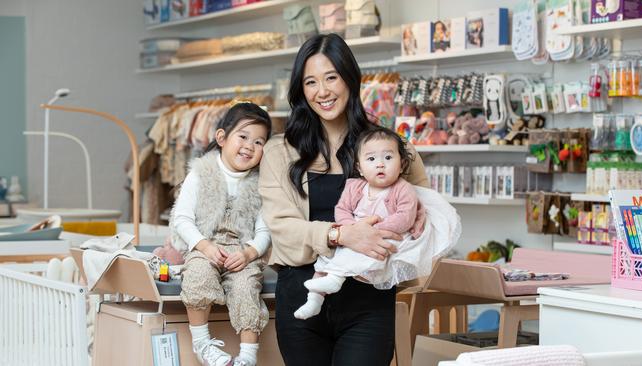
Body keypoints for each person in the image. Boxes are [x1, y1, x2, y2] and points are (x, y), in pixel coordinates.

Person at [258, 33, 429, 366]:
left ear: (350, 78)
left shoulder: (390, 149)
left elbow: (427, 211)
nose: (322, 91)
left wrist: (422, 214)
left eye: (331, 77)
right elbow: (281, 228)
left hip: (369, 304)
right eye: (310, 82)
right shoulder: (280, 152)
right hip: (300, 300)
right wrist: (341, 234)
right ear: (300, 89)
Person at [294, 127, 440, 320]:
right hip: (354, 236)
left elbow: (405, 217)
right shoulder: (355, 187)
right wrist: (352, 229)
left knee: (352, 260)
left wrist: (373, 231)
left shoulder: (403, 189)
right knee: (325, 260)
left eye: (388, 158)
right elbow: (342, 209)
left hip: (384, 240)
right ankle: (314, 301)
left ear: (402, 164)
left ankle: (334, 280)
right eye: (371, 159)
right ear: (360, 168)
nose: (380, 164)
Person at [169, 102, 273, 366]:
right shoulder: (201, 173)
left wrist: (249, 252)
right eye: (243, 137)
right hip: (205, 247)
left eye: (259, 141)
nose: (250, 145)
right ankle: (202, 343)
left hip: (241, 251)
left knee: (247, 286)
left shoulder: (261, 183)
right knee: (199, 276)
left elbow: (264, 230)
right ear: (222, 138)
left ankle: (247, 357)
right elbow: (182, 218)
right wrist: (203, 246)